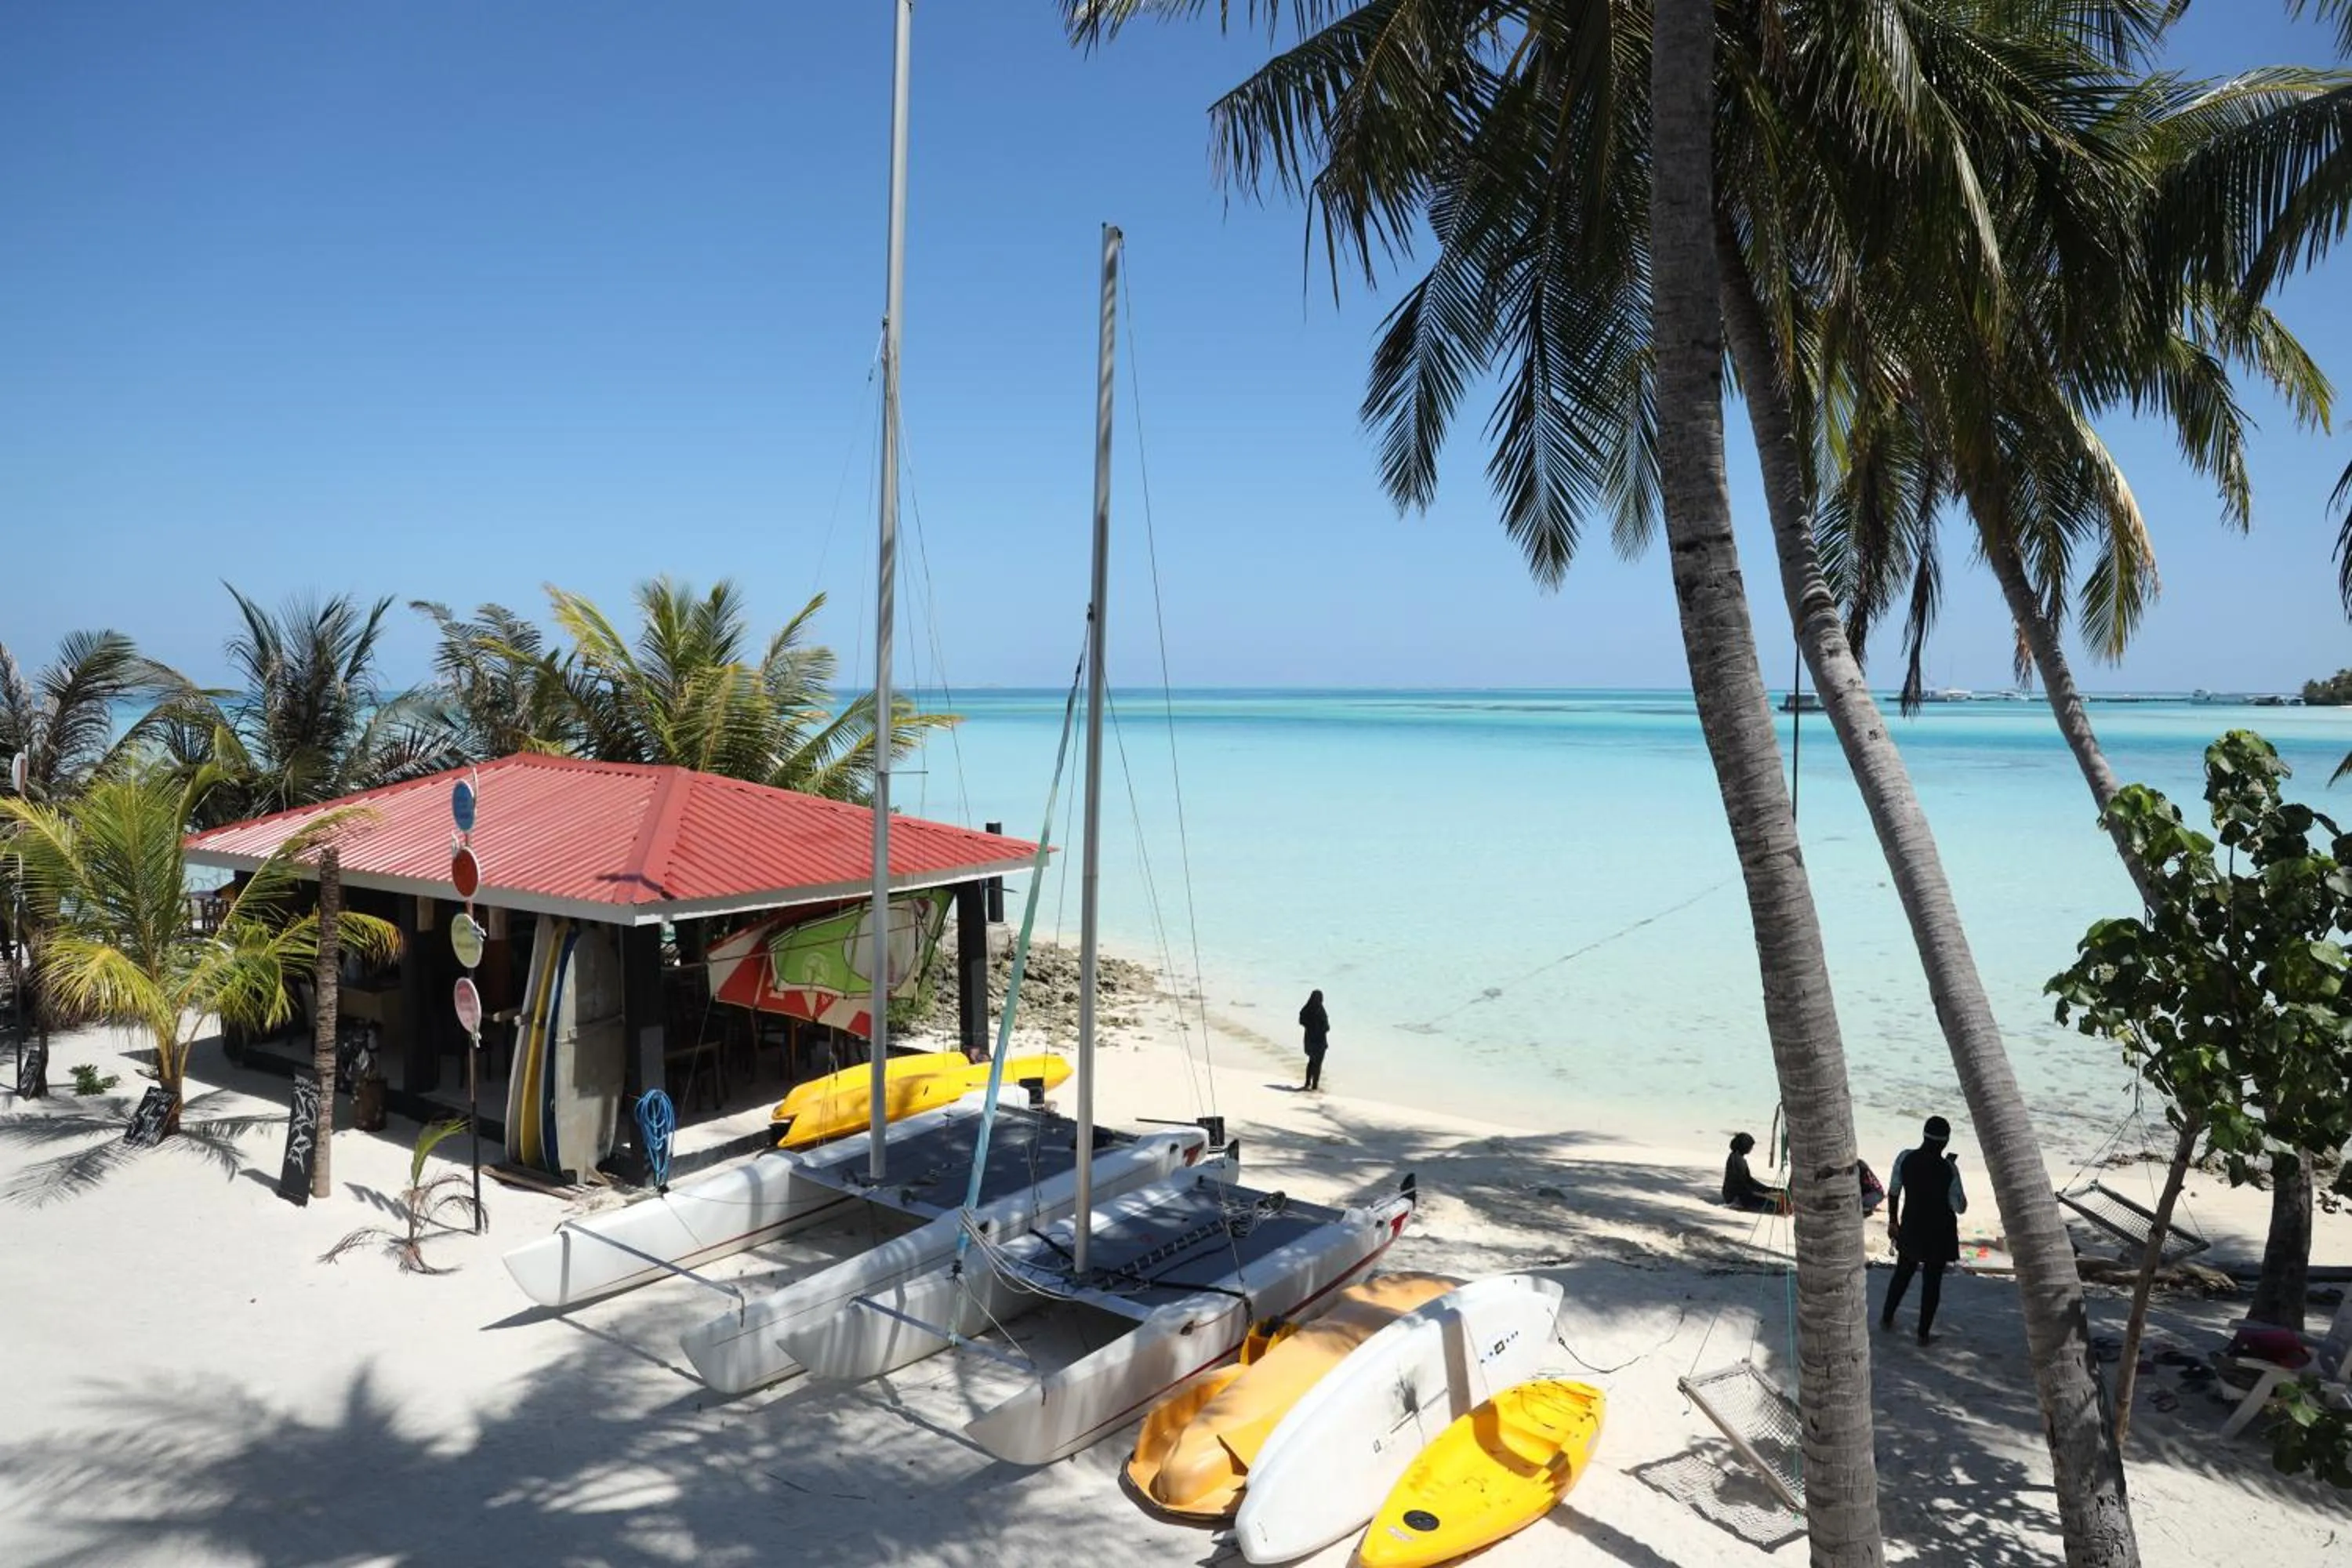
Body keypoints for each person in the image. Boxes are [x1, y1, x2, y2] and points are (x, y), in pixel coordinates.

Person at [1882, 1115, 1968, 1344]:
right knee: (1932, 1282)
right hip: (1940, 1233)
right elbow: (1959, 1207)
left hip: (1911, 1226)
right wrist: (1952, 1172)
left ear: (1924, 1135)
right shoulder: (1949, 1169)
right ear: (1945, 1142)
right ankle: (1922, 1334)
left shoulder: (1905, 1158)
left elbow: (1893, 1191)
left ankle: (1886, 1318)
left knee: (1902, 1274)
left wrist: (1893, 1222)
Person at [1722, 1132, 1786, 1213]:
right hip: (1735, 1197)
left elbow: (1748, 1181)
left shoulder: (1735, 1157)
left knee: (1772, 1201)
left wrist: (1769, 1190)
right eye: (1751, 1146)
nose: (1751, 1149)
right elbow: (1747, 1183)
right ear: (1744, 1146)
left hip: (1735, 1194)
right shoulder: (1737, 1161)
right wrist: (1768, 1191)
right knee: (1774, 1205)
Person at [1298, 989, 1330, 1091]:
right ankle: (1315, 1085)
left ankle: (1307, 1083)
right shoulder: (1321, 1011)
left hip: (1309, 1041)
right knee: (1318, 1064)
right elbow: (1326, 1028)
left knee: (1311, 1061)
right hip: (1320, 1042)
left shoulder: (1306, 1009)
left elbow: (1301, 1021)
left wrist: (1310, 1026)